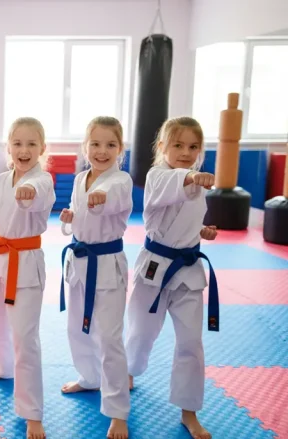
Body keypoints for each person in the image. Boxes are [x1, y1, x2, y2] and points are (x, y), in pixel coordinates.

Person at [125, 116, 217, 439]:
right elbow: (172, 188)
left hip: (188, 271)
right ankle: (130, 372)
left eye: (193, 147)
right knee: (141, 332)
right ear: (161, 147)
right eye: (177, 145)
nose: (185, 151)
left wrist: (201, 231)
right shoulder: (158, 176)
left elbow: (185, 219)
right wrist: (192, 176)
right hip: (155, 267)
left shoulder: (195, 181)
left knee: (191, 342)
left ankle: (189, 411)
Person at [0, 117, 55, 439]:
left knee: (25, 337)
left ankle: (32, 413)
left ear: (42, 149)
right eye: (18, 143)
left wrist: (28, 191)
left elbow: (36, 195)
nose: (24, 150)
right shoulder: (0, 180)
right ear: (8, 147)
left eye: (31, 144)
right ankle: (4, 368)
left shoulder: (43, 180)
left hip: (25, 264)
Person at [59, 116, 132, 439]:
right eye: (96, 144)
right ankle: (89, 377)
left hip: (106, 265)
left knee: (110, 338)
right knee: (76, 327)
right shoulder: (79, 179)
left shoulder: (120, 181)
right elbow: (78, 217)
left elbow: (114, 199)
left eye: (111, 145)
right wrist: (70, 218)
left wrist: (102, 200)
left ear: (121, 149)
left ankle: (118, 411)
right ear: (85, 147)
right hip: (78, 261)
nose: (103, 151)